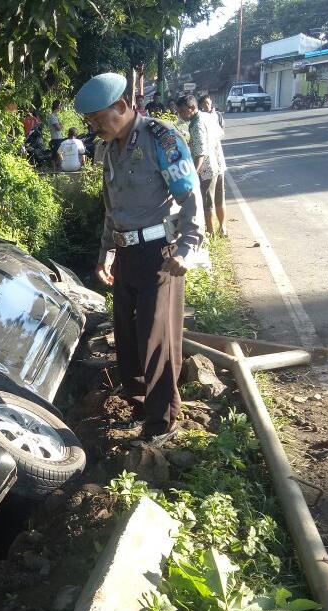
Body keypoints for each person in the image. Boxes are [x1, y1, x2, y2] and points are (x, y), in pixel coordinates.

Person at [75, 73, 205, 447]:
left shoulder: (160, 139)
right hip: (127, 253)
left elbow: (190, 195)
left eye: (98, 118)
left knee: (156, 338)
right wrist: (106, 253)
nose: (94, 126)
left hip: (160, 255)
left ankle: (162, 423)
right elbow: (111, 208)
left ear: (121, 106)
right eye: (90, 122)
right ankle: (139, 406)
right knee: (129, 338)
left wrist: (188, 246)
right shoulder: (109, 148)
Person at [178, 95, 227, 236]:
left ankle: (210, 232)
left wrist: (193, 174)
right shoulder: (209, 116)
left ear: (192, 108)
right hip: (219, 163)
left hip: (206, 169)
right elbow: (220, 134)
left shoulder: (195, 124)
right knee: (220, 199)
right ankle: (223, 228)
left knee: (207, 203)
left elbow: (200, 153)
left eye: (182, 111)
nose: (180, 114)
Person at [48, 100, 64, 167]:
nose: (61, 107)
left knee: (57, 154)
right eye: (60, 106)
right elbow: (59, 128)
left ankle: (58, 168)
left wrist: (61, 125)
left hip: (58, 138)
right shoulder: (52, 116)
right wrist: (61, 126)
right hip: (55, 138)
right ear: (57, 106)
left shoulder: (56, 116)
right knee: (55, 154)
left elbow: (60, 126)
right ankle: (54, 169)